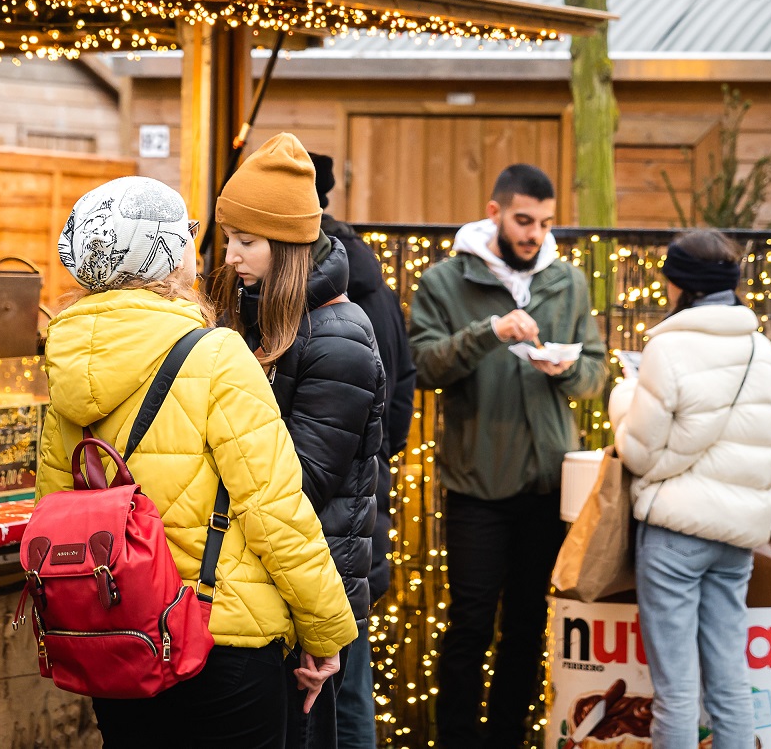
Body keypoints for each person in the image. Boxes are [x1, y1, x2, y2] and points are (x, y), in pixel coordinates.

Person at [38, 175, 359, 749]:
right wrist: (324, 627)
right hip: (222, 637)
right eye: (186, 234)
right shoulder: (216, 355)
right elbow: (276, 509)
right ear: (164, 255)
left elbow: (54, 515)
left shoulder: (63, 366)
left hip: (120, 643)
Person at [408, 165, 606, 749]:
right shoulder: (446, 281)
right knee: (470, 626)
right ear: (494, 214)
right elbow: (422, 366)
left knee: (526, 628)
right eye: (524, 221)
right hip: (477, 484)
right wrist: (488, 333)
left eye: (545, 223)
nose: (535, 234)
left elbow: (596, 369)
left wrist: (569, 368)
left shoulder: (568, 281)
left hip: (549, 486)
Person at [212, 134, 386, 749]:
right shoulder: (260, 317)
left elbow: (304, 482)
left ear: (288, 246)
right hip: (271, 580)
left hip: (314, 584)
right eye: (228, 239)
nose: (231, 256)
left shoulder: (337, 335)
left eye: (247, 242)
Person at [612, 230, 771, 749]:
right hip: (737, 537)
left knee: (677, 692)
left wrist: (623, 395)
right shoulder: (764, 351)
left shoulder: (667, 347)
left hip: (674, 535)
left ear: (679, 284)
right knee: (731, 683)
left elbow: (639, 453)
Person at [310, 152, 417, 749]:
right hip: (367, 498)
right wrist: (377, 453)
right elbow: (403, 381)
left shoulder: (314, 290)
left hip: (333, 516)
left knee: (337, 681)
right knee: (350, 675)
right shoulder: (371, 275)